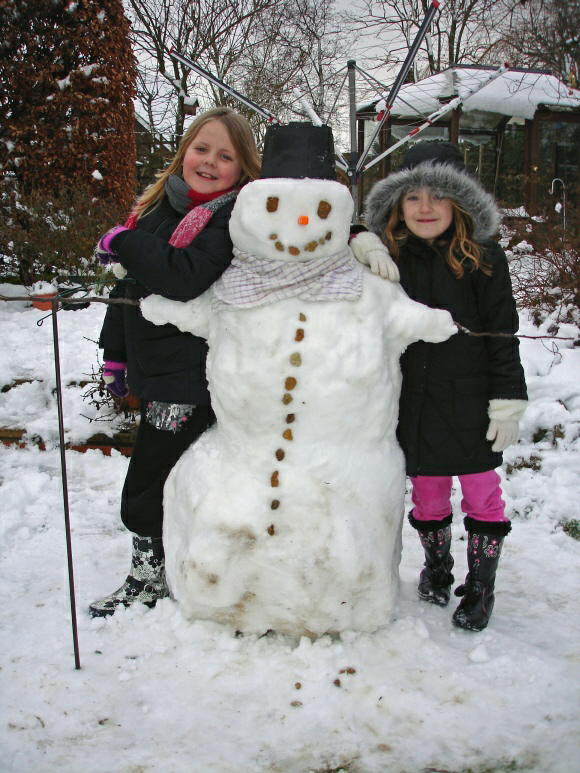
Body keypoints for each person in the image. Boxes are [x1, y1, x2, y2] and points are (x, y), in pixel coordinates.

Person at [89, 107, 260, 618]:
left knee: (151, 476)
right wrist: (115, 354)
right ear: (184, 151)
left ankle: (150, 576)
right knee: (163, 471)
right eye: (202, 148)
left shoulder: (236, 217)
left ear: (243, 166)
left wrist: (123, 240)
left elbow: (185, 277)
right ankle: (171, 565)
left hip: (193, 376)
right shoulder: (158, 207)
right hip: (156, 368)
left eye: (225, 155)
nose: (209, 162)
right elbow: (129, 288)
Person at [361, 140, 527, 631]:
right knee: (428, 495)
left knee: (482, 494)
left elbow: (502, 332)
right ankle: (436, 566)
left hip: (472, 402)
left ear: (461, 202)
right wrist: (360, 242)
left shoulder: (486, 258)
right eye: (413, 197)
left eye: (439, 195)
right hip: (413, 401)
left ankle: (480, 585)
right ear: (397, 205)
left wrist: (507, 401)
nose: (426, 207)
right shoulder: (389, 257)